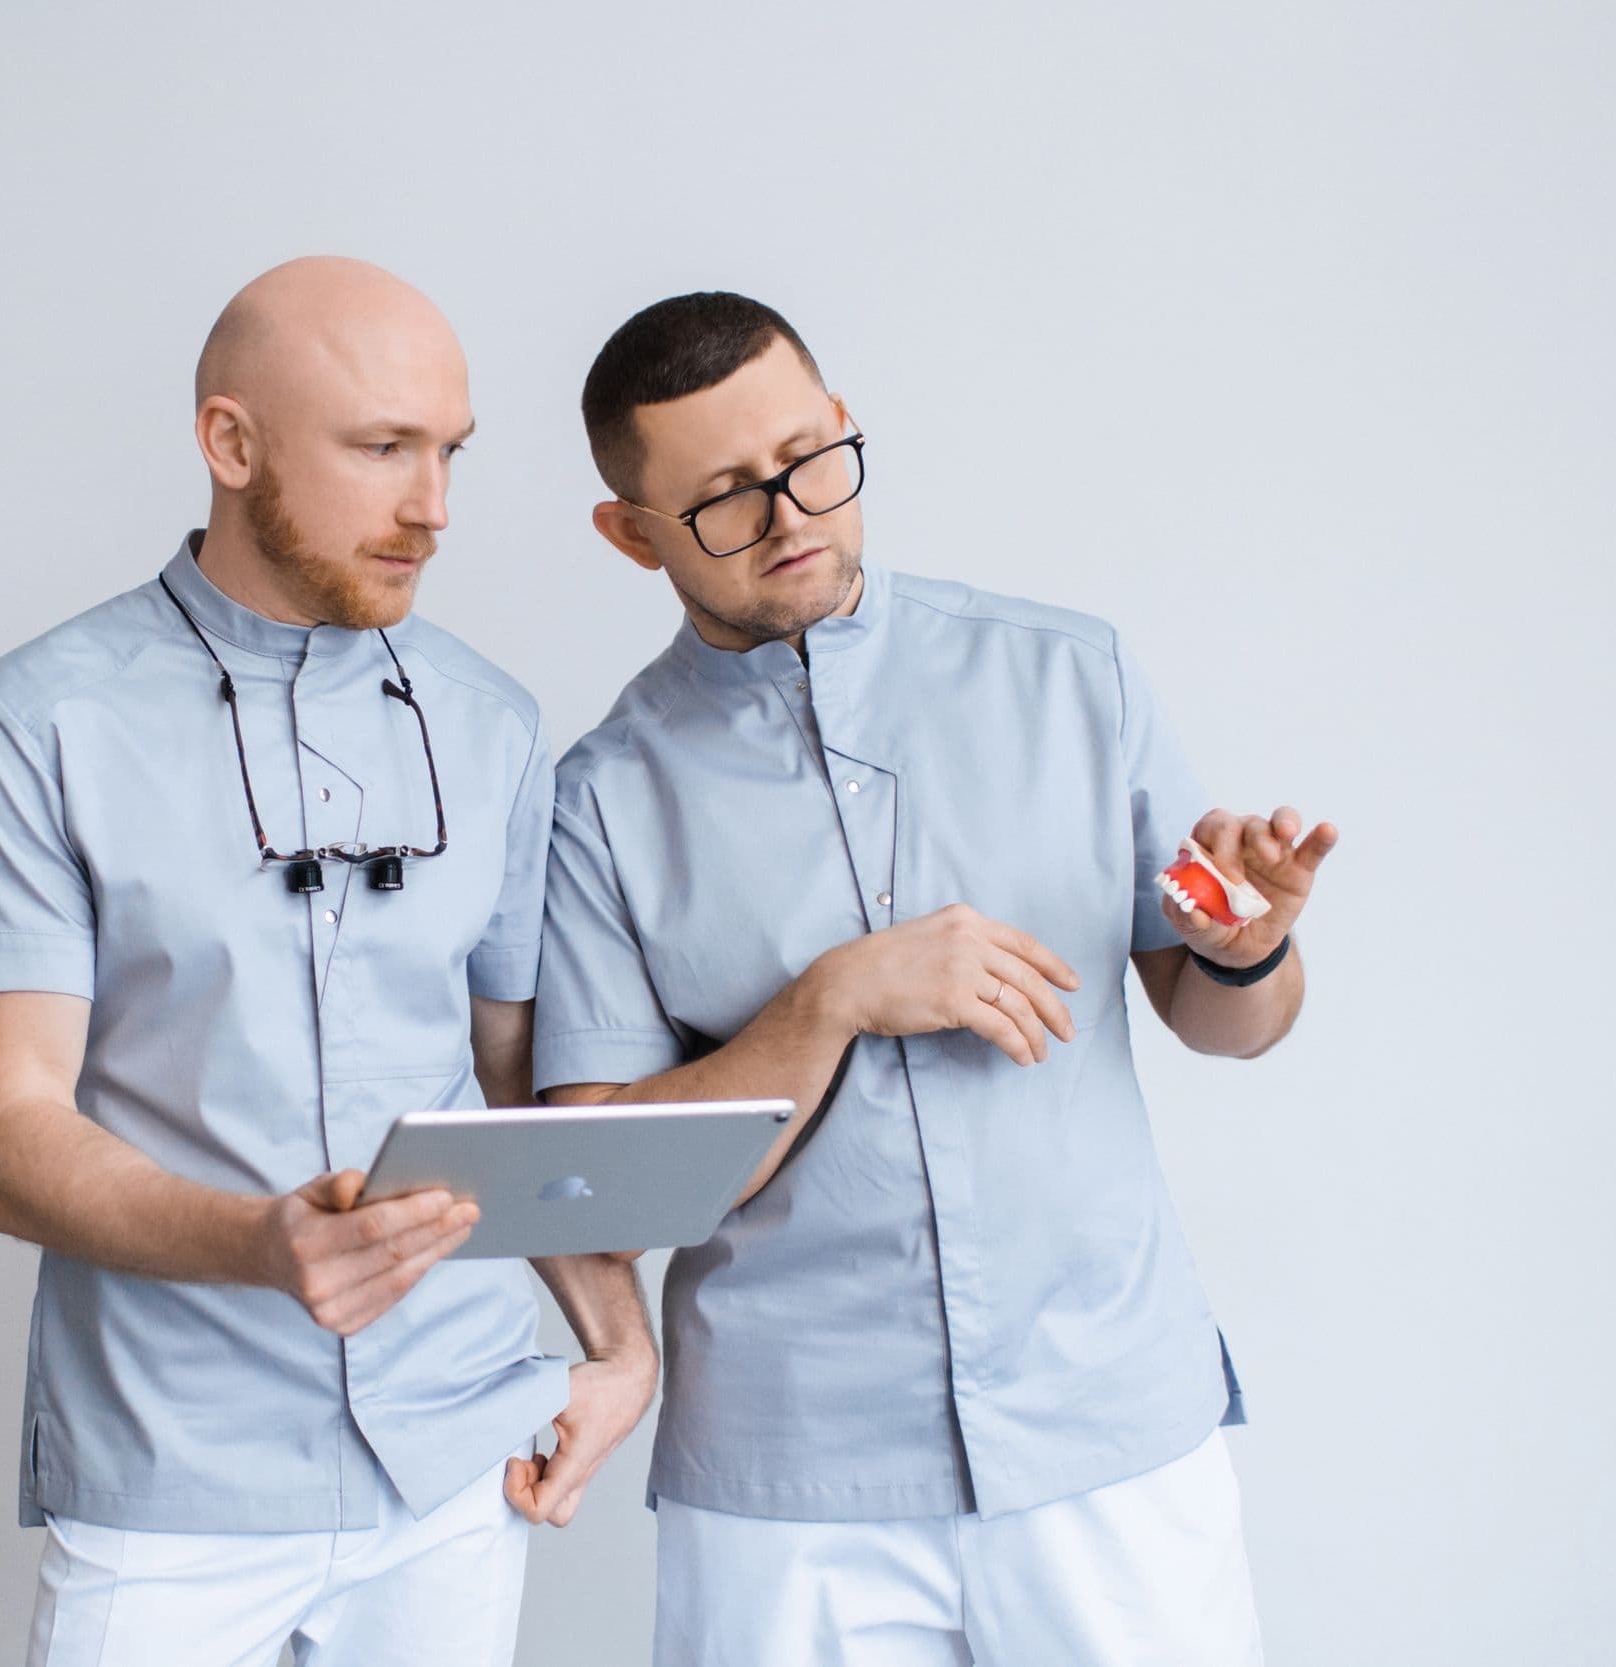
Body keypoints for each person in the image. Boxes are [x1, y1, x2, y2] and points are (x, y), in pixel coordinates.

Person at [533, 290, 1340, 1665]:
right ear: (631, 533)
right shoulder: (602, 802)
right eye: (723, 500)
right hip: (792, 1480)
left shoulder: (1074, 677)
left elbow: (1232, 1024)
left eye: (809, 459)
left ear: (843, 424)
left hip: (1108, 1432)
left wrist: (1247, 946)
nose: (789, 516)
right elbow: (600, 1193)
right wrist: (830, 1002)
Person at [0, 257, 655, 1667]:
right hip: (175, 1464)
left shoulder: (493, 724)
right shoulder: (32, 727)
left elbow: (510, 1082)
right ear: (230, 443)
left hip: (454, 1457)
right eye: (382, 448)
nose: (432, 507)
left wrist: (619, 1342)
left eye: (450, 452)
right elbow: (9, 1136)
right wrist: (263, 1244)